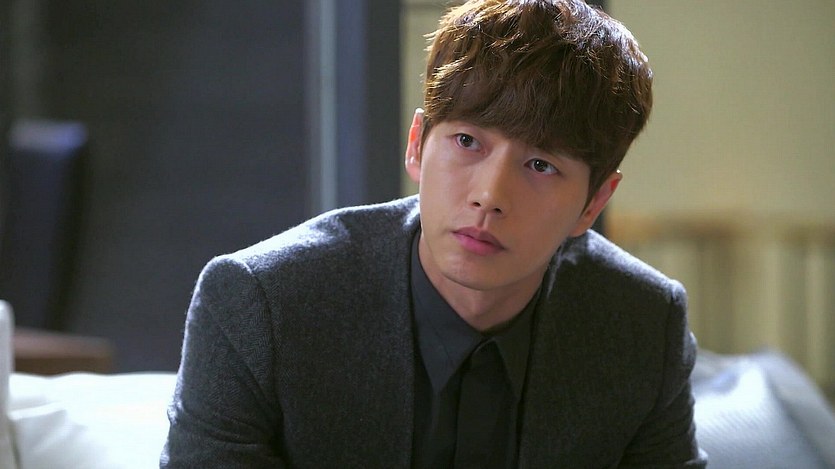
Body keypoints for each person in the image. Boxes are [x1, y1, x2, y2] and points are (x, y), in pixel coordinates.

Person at [161, 0, 707, 467]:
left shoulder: (643, 324)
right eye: (467, 142)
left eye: (541, 165)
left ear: (593, 203)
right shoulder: (260, 305)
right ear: (418, 144)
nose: (489, 196)